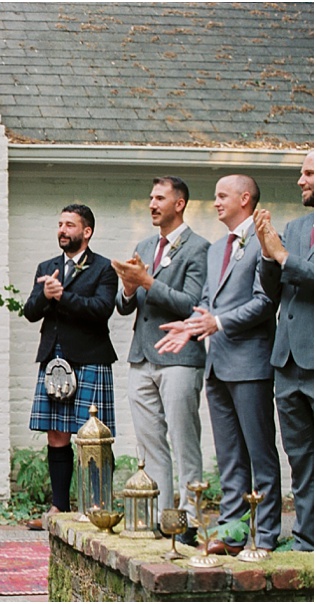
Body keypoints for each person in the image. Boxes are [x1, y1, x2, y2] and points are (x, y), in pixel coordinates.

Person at [156, 174, 281, 555]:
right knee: (228, 456)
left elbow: (264, 302)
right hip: (218, 363)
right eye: (214, 197)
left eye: (222, 196)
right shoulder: (215, 250)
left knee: (259, 453)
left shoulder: (264, 241)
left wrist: (219, 322)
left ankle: (266, 535)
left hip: (251, 362)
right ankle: (231, 532)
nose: (215, 203)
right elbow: (209, 300)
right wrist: (193, 326)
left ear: (246, 198)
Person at [113, 177, 209, 545]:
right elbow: (125, 307)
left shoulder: (199, 248)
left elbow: (193, 303)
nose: (152, 204)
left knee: (184, 439)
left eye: (159, 198)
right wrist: (129, 287)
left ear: (180, 203)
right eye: (150, 198)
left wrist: (149, 282)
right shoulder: (145, 244)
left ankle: (190, 521)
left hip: (180, 357)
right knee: (150, 442)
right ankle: (160, 517)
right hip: (141, 355)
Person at [23, 204, 117, 530]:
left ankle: (97, 507)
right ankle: (58, 508)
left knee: (93, 438)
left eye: (70, 225)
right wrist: (46, 295)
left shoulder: (103, 268)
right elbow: (30, 312)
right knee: (57, 434)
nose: (63, 230)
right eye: (60, 224)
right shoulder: (47, 267)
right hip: (54, 359)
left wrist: (62, 297)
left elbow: (102, 310)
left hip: (90, 357)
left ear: (86, 232)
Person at [254, 151, 314, 552]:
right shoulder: (294, 226)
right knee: (300, 455)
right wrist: (265, 252)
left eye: (309, 172)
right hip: (288, 361)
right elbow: (274, 291)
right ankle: (307, 538)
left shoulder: (287, 241)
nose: (300, 180)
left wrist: (281, 254)